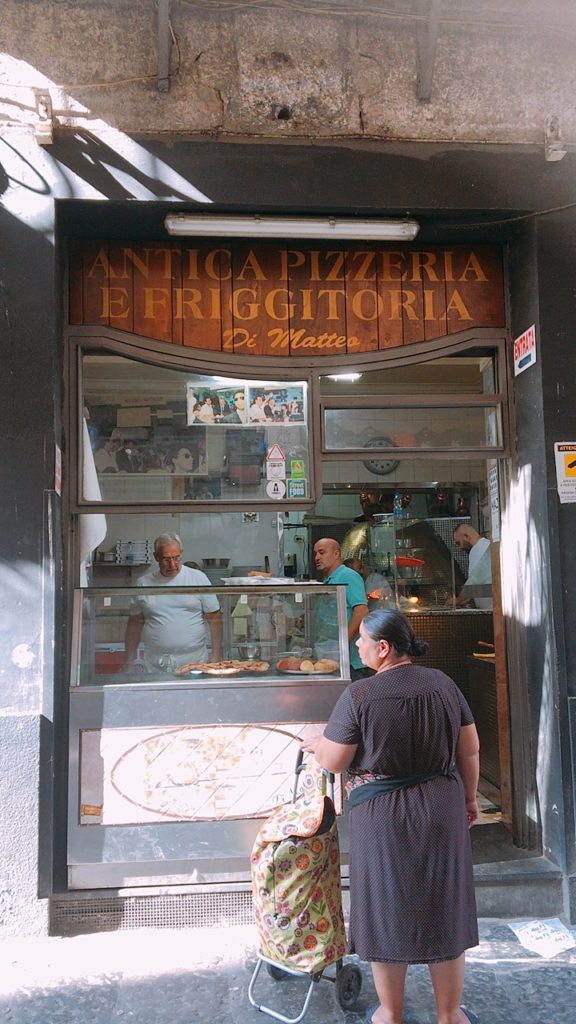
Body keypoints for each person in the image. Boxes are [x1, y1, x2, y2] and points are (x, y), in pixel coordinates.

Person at [301, 609, 480, 1024]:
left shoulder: (360, 695)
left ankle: (391, 1013)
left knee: (384, 909)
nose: (357, 645)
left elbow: (334, 760)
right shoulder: (443, 684)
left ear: (382, 648)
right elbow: (469, 748)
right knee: (445, 907)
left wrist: (318, 740)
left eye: (362, 639)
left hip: (381, 817)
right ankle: (449, 1014)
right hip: (442, 807)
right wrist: (469, 799)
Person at [123, 533, 222, 672]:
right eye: (166, 559)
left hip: (195, 661)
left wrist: (216, 654)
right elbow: (135, 623)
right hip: (155, 663)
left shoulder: (198, 578)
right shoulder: (144, 583)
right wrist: (129, 660)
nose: (172, 564)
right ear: (156, 557)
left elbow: (215, 618)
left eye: (176, 558)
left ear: (181, 553)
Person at [313, 538, 369, 680]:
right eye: (315, 553)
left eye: (322, 552)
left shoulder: (348, 576)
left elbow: (361, 611)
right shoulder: (328, 581)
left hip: (351, 663)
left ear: (336, 554)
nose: (317, 557)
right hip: (332, 656)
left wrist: (342, 644)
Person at [452, 525, 492, 610]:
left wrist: (457, 601)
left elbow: (472, 586)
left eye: (458, 543)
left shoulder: (477, 549)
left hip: (491, 610)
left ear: (467, 536)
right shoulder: (487, 545)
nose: (460, 548)